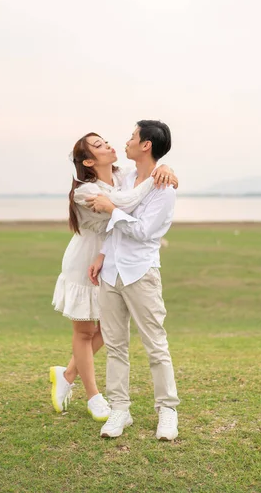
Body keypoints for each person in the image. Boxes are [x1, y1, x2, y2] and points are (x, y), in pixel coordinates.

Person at [50, 132, 178, 422]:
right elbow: (127, 200)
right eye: (99, 146)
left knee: (109, 332)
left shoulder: (123, 175)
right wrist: (156, 177)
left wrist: (164, 169)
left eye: (105, 141)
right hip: (86, 258)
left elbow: (140, 179)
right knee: (85, 332)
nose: (109, 145)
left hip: (111, 256)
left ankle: (67, 374)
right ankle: (94, 396)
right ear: (88, 161)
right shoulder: (85, 190)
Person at [87, 120, 179, 440]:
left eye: (132, 137)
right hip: (111, 272)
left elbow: (142, 232)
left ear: (146, 146)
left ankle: (167, 411)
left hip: (141, 273)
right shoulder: (125, 178)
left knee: (155, 345)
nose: (126, 141)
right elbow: (112, 228)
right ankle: (119, 410)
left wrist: (112, 208)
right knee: (115, 347)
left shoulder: (163, 188)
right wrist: (101, 254)